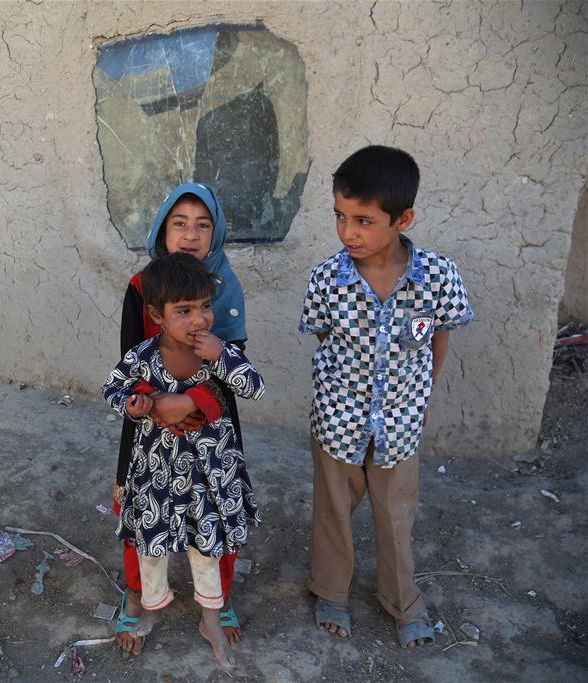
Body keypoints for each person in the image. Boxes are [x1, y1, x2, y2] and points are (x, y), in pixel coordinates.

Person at [298, 145, 473, 649]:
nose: (348, 232)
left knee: (396, 514)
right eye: (339, 216)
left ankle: (402, 602)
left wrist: (415, 398)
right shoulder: (326, 278)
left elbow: (439, 338)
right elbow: (325, 341)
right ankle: (331, 592)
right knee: (333, 508)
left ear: (403, 218)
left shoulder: (437, 277)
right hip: (338, 418)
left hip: (400, 425)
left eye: (363, 220)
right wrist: (347, 396)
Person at [102, 253, 265, 669]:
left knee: (206, 548)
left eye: (206, 306)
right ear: (156, 315)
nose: (199, 320)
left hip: (209, 475)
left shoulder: (217, 352)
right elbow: (113, 389)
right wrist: (137, 406)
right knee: (151, 548)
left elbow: (254, 386)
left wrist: (221, 355)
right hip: (157, 475)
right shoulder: (143, 355)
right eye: (185, 311)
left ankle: (210, 620)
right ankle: (152, 606)